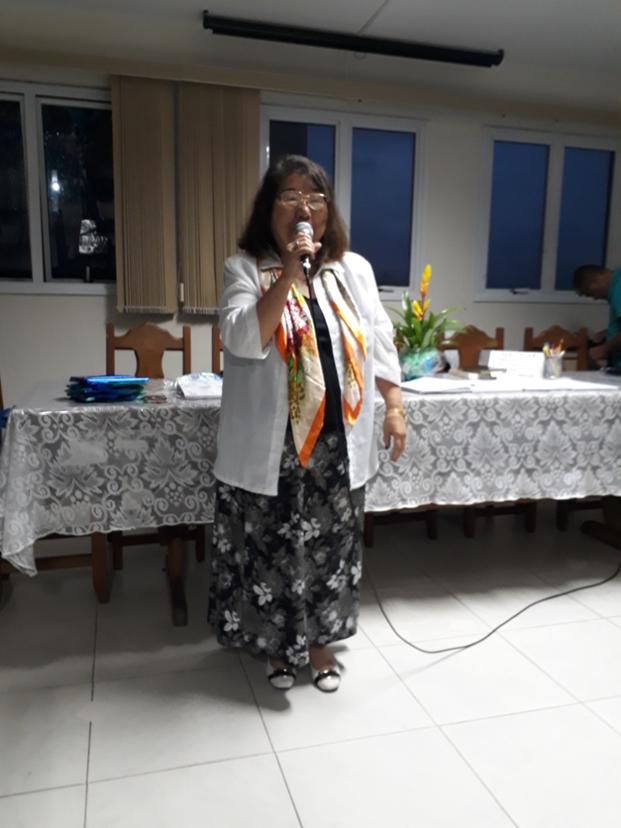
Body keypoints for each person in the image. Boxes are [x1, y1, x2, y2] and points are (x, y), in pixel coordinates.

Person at [208, 154, 406, 692]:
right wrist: (289, 276)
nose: (304, 208)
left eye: (315, 198)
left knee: (329, 549)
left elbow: (379, 340)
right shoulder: (245, 268)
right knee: (272, 549)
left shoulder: (353, 269)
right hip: (273, 447)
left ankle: (318, 645)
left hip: (336, 442)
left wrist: (393, 405)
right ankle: (278, 649)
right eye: (291, 196)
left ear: (328, 210)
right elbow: (242, 338)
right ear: (269, 208)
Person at [573, 264, 621, 369]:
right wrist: (608, 332)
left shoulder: (619, 288)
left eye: (590, 293)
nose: (595, 298)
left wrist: (604, 349)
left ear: (596, 280)